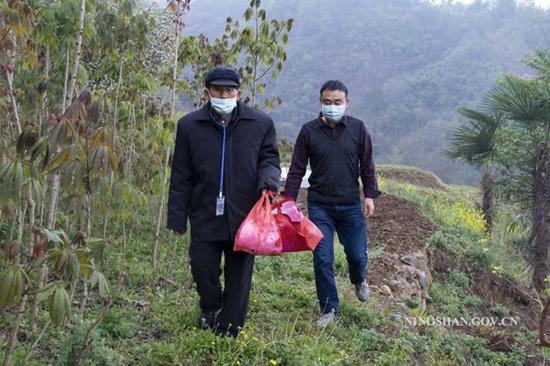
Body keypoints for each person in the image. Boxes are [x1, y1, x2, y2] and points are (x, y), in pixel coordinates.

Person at [167, 66, 281, 337]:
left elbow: (270, 159)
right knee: (201, 265)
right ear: (207, 93)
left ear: (238, 93)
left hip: (245, 213)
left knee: (239, 275)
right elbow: (181, 174)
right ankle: (210, 306)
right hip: (204, 210)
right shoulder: (189, 126)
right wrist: (177, 217)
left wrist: (269, 182)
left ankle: (229, 328)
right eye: (217, 90)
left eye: (229, 90)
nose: (224, 94)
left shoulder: (260, 124)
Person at [282, 80, 381, 327]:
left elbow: (367, 164)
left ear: (347, 103)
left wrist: (369, 194)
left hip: (350, 206)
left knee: (357, 255)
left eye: (337, 102)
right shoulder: (308, 131)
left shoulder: (358, 129)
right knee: (322, 258)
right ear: (320, 102)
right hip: (320, 206)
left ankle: (359, 279)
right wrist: (289, 201)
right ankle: (329, 309)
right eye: (328, 102)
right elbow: (296, 170)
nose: (332, 106)